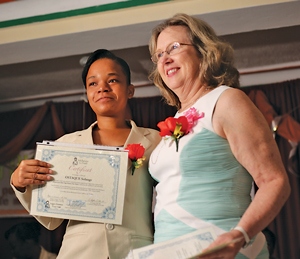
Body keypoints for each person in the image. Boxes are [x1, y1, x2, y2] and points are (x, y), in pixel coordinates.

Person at [148, 13, 291, 259]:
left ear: (203, 51)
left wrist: (239, 236)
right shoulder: (177, 117)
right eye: (159, 54)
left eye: (174, 47)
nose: (165, 58)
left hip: (221, 249)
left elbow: (275, 181)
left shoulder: (227, 101)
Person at [10, 49, 161, 259]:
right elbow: (51, 219)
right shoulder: (65, 145)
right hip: (79, 252)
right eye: (93, 83)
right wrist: (19, 184)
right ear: (87, 94)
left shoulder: (155, 140)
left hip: (135, 251)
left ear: (130, 90)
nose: (102, 88)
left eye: (113, 80)